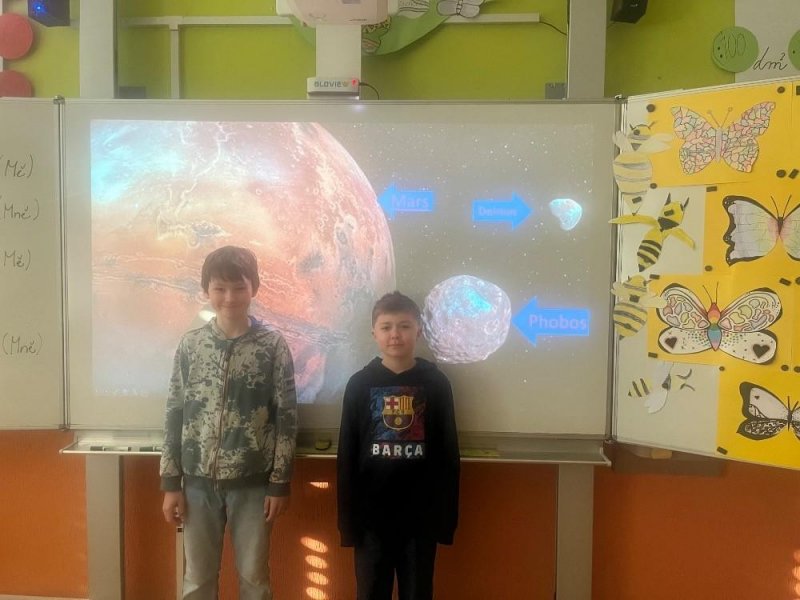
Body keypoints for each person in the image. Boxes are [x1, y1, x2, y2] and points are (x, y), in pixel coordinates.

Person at [159, 245, 297, 600]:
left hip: (254, 486)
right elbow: (174, 412)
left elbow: (286, 417)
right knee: (197, 579)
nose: (230, 297)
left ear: (254, 288)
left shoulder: (272, 346)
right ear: (207, 290)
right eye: (220, 288)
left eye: (239, 287)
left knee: (254, 578)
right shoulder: (191, 345)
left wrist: (279, 482)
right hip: (196, 484)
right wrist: (171, 482)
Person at [337, 291, 460, 600]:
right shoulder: (359, 384)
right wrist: (347, 524)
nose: (395, 334)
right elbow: (347, 456)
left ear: (418, 331)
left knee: (418, 593)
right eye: (386, 326)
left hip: (421, 518)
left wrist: (446, 520)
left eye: (404, 326)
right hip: (370, 519)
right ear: (374, 332)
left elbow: (448, 454)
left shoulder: (436, 383)